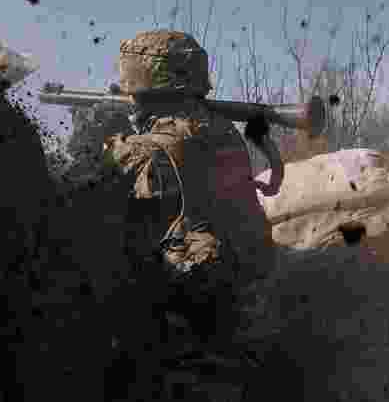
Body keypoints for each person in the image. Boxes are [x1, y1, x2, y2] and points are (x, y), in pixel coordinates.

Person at [95, 29, 276, 398]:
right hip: (248, 315)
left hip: (189, 342)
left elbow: (91, 206)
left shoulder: (146, 149)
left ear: (140, 87)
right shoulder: (221, 131)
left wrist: (101, 137)